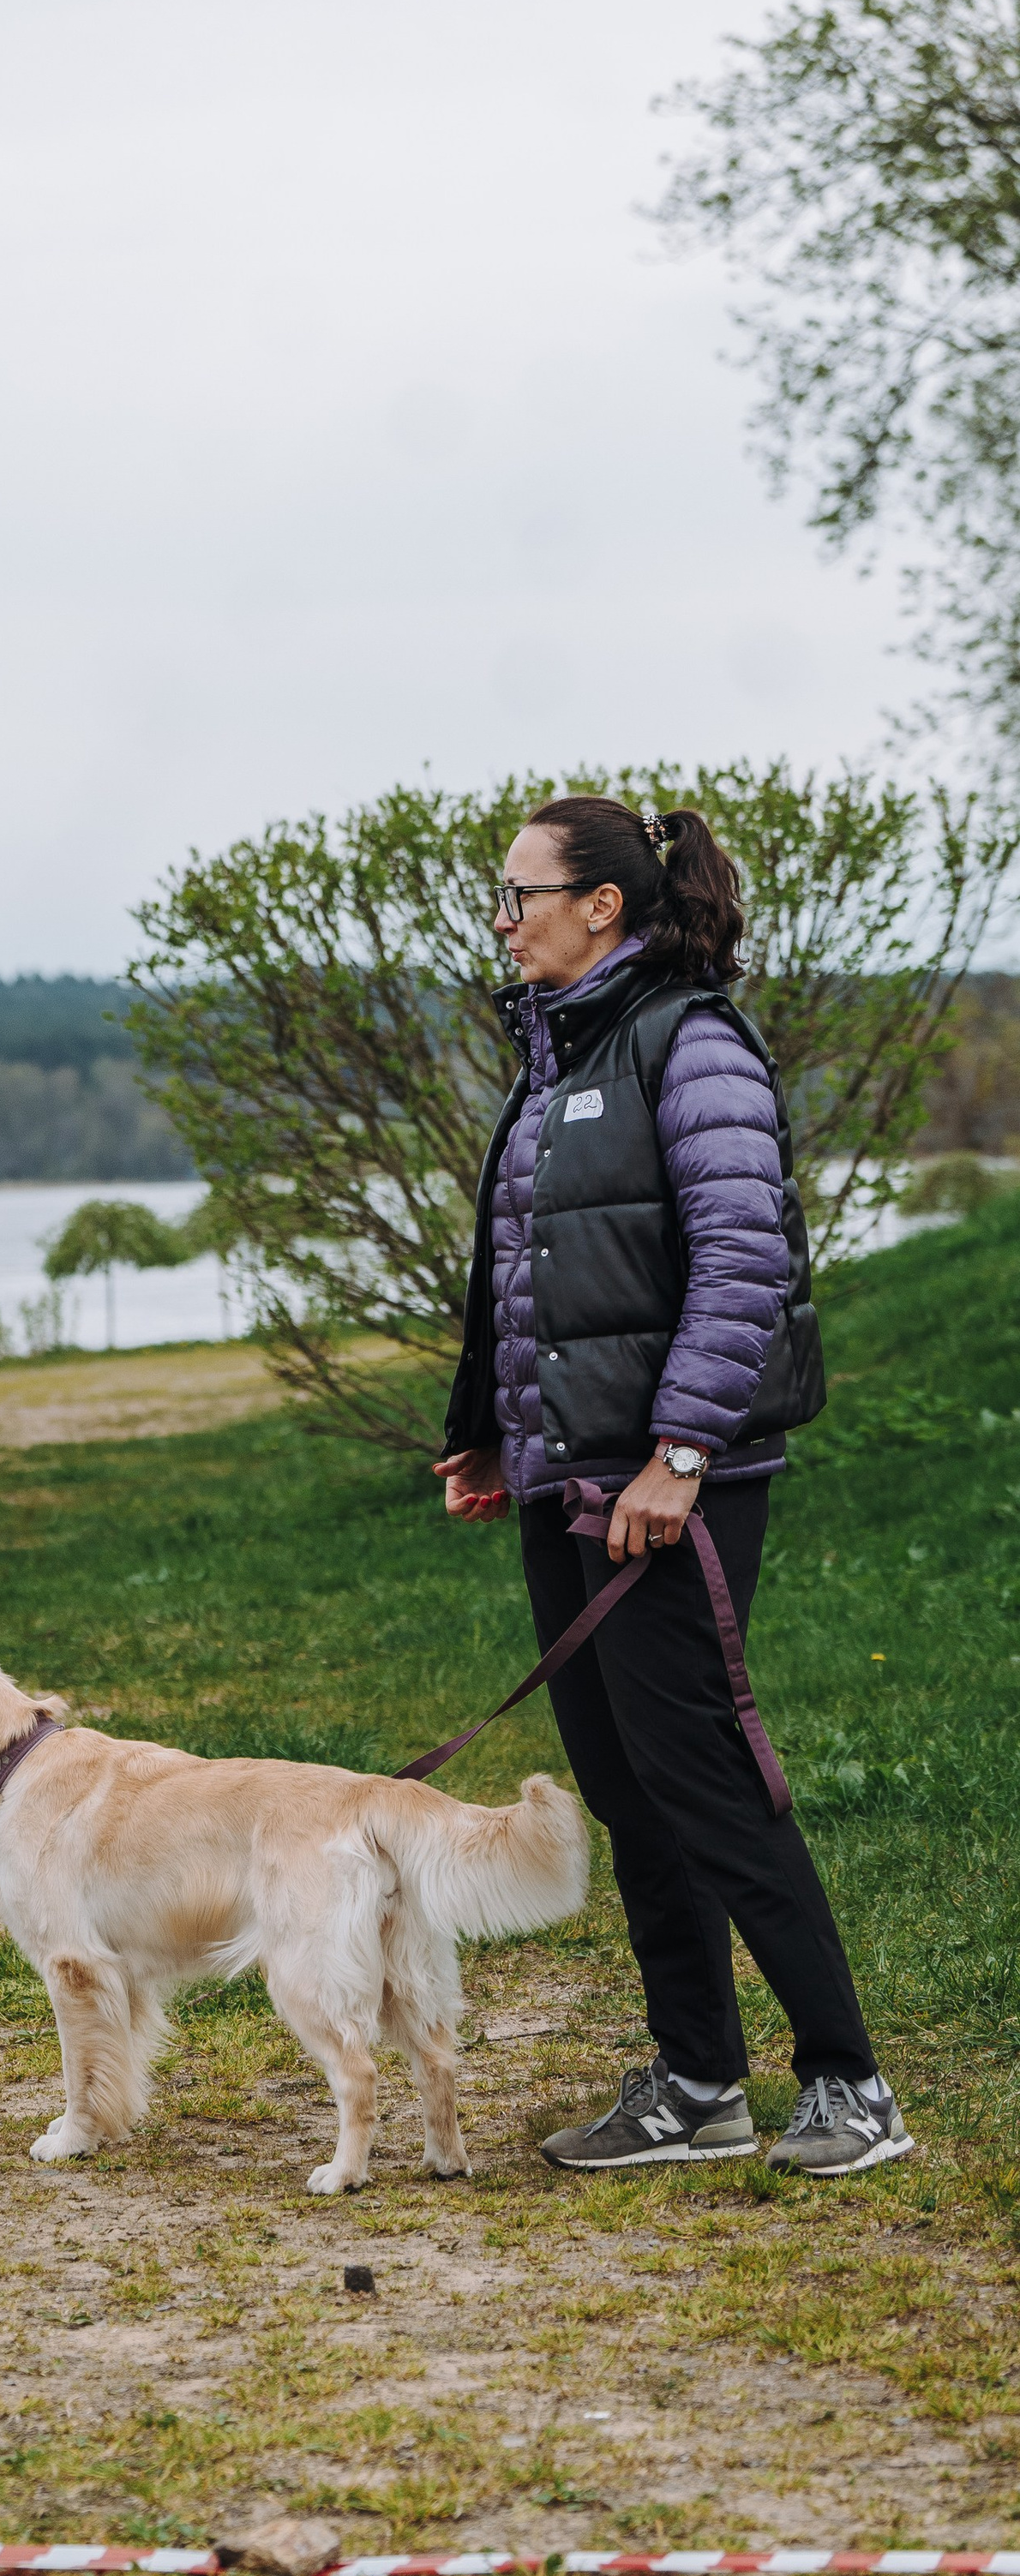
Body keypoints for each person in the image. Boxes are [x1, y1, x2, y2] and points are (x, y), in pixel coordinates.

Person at [435, 794, 910, 2180]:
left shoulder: (690, 1043)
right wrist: (496, 1432)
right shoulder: (555, 1053)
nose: (502, 918)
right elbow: (536, 1272)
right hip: (571, 1474)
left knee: (701, 1771)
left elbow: (743, 1259)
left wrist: (683, 1450)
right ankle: (700, 2079)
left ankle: (852, 2082)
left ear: (603, 905)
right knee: (625, 1778)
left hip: (667, 1482)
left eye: (520, 893)